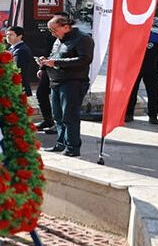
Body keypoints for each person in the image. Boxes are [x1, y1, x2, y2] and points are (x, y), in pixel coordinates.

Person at [38, 15, 94, 157]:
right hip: (56, 81)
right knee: (58, 115)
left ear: (66, 27)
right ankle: (61, 143)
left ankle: (72, 147)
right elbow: (55, 56)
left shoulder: (83, 38)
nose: (53, 34)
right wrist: (45, 64)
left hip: (73, 82)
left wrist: (56, 63)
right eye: (50, 31)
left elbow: (84, 59)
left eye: (54, 30)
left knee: (69, 116)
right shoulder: (58, 40)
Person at [35, 12, 71, 134]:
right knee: (41, 93)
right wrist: (42, 66)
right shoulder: (52, 36)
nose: (54, 32)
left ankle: (60, 124)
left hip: (65, 73)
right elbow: (49, 52)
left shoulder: (76, 38)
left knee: (62, 99)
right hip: (50, 69)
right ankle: (48, 120)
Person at [125, 31, 158, 125]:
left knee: (153, 92)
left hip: (151, 68)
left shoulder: (157, 37)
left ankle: (153, 115)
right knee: (131, 91)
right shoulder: (131, 35)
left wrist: (153, 57)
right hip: (134, 68)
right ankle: (128, 113)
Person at [6, 26, 33, 96]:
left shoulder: (21, 50)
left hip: (19, 87)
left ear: (20, 36)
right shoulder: (12, 48)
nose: (8, 37)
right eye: (7, 34)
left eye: (11, 35)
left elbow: (17, 69)